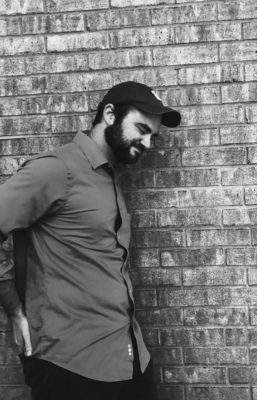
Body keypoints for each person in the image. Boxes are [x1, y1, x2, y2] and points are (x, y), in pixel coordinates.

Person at [0, 81, 181, 400]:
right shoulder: (57, 169)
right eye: (141, 129)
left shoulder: (108, 177)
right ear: (110, 115)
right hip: (72, 366)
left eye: (152, 136)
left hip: (128, 357)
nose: (147, 143)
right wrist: (14, 311)